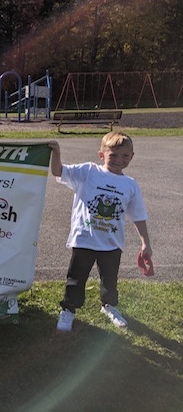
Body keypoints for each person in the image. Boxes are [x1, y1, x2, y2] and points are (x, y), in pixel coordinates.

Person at [48, 132, 152, 332]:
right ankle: (69, 309)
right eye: (113, 155)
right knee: (76, 278)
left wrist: (145, 242)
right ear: (102, 155)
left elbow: (138, 215)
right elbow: (58, 171)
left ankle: (109, 306)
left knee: (110, 279)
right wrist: (57, 152)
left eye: (125, 156)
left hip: (112, 243)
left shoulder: (130, 185)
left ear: (132, 156)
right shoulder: (88, 172)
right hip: (84, 239)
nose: (119, 160)